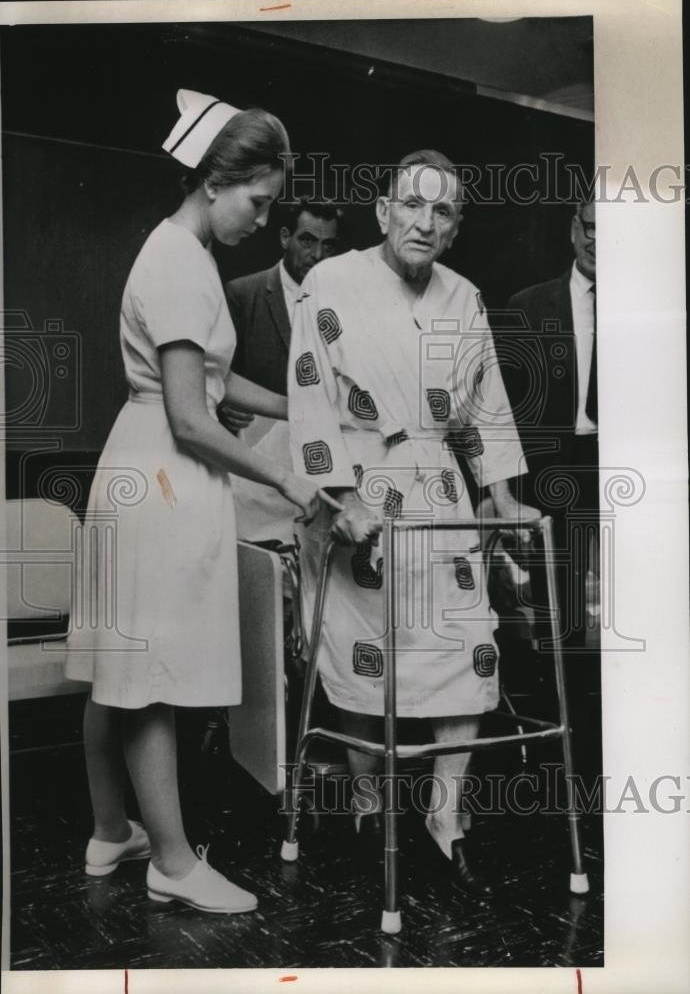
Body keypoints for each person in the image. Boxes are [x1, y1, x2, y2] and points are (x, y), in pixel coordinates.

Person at [65, 89, 339, 915]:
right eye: (258, 201)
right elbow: (193, 417)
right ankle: (175, 865)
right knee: (149, 675)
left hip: (139, 461)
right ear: (218, 180)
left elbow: (217, 383)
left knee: (117, 667)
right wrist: (288, 478)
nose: (262, 219)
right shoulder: (180, 263)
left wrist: (299, 407)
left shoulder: (179, 252)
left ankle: (113, 831)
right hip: (163, 470)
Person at [288, 150, 539, 894]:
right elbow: (309, 392)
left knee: (467, 647)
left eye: (442, 211)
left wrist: (500, 496)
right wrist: (342, 498)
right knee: (370, 656)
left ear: (456, 227)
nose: (424, 222)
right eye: (413, 205)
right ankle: (368, 804)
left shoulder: (464, 297)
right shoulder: (329, 284)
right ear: (383, 211)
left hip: (439, 489)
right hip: (361, 491)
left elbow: (488, 408)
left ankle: (444, 812)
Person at [220, 198, 343, 543]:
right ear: (285, 237)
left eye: (328, 245)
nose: (317, 255)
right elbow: (216, 379)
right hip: (257, 472)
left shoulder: (345, 300)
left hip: (322, 467)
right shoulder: (244, 294)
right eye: (307, 240)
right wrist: (224, 409)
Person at [505, 199, 598, 648]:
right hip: (552, 470)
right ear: (573, 229)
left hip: (620, 466)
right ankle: (560, 706)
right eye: (591, 228)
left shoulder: (652, 309)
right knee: (557, 607)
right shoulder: (529, 306)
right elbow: (505, 406)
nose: (598, 241)